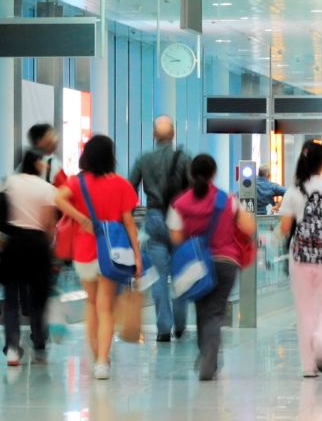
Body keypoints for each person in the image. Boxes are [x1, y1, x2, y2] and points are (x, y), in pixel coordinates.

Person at [56, 134, 142, 380]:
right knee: (106, 308)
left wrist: (81, 218)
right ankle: (103, 361)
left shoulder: (76, 183)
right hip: (111, 252)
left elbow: (57, 198)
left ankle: (96, 355)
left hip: (84, 252)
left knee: (91, 304)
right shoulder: (121, 185)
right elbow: (128, 223)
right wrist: (137, 255)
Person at [169, 154, 258, 381]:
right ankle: (209, 355)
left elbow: (176, 237)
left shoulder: (180, 203)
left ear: (191, 173)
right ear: (214, 174)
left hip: (196, 265)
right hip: (226, 262)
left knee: (202, 310)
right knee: (215, 312)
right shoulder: (227, 200)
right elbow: (249, 227)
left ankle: (207, 354)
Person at [279, 139, 322, 378]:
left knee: (304, 310)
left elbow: (285, 226)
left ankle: (308, 366)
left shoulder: (293, 190)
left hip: (300, 257)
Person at [128, 116, 193, 342]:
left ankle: (163, 328)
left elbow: (130, 189)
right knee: (181, 273)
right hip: (179, 220)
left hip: (154, 218)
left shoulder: (144, 159)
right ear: (174, 134)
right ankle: (181, 324)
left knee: (158, 275)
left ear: (154, 136)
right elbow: (194, 191)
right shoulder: (185, 159)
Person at [0, 148, 58, 367]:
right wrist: (50, 247)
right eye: (43, 163)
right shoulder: (46, 188)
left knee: (11, 299)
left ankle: (13, 348)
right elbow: (49, 224)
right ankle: (39, 339)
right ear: (36, 164)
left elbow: (0, 211)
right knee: (38, 296)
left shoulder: (9, 183)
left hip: (12, 243)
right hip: (37, 244)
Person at [28, 122, 67, 187]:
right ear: (38, 141)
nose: (55, 139)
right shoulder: (40, 162)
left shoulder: (55, 161)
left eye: (54, 135)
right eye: (50, 135)